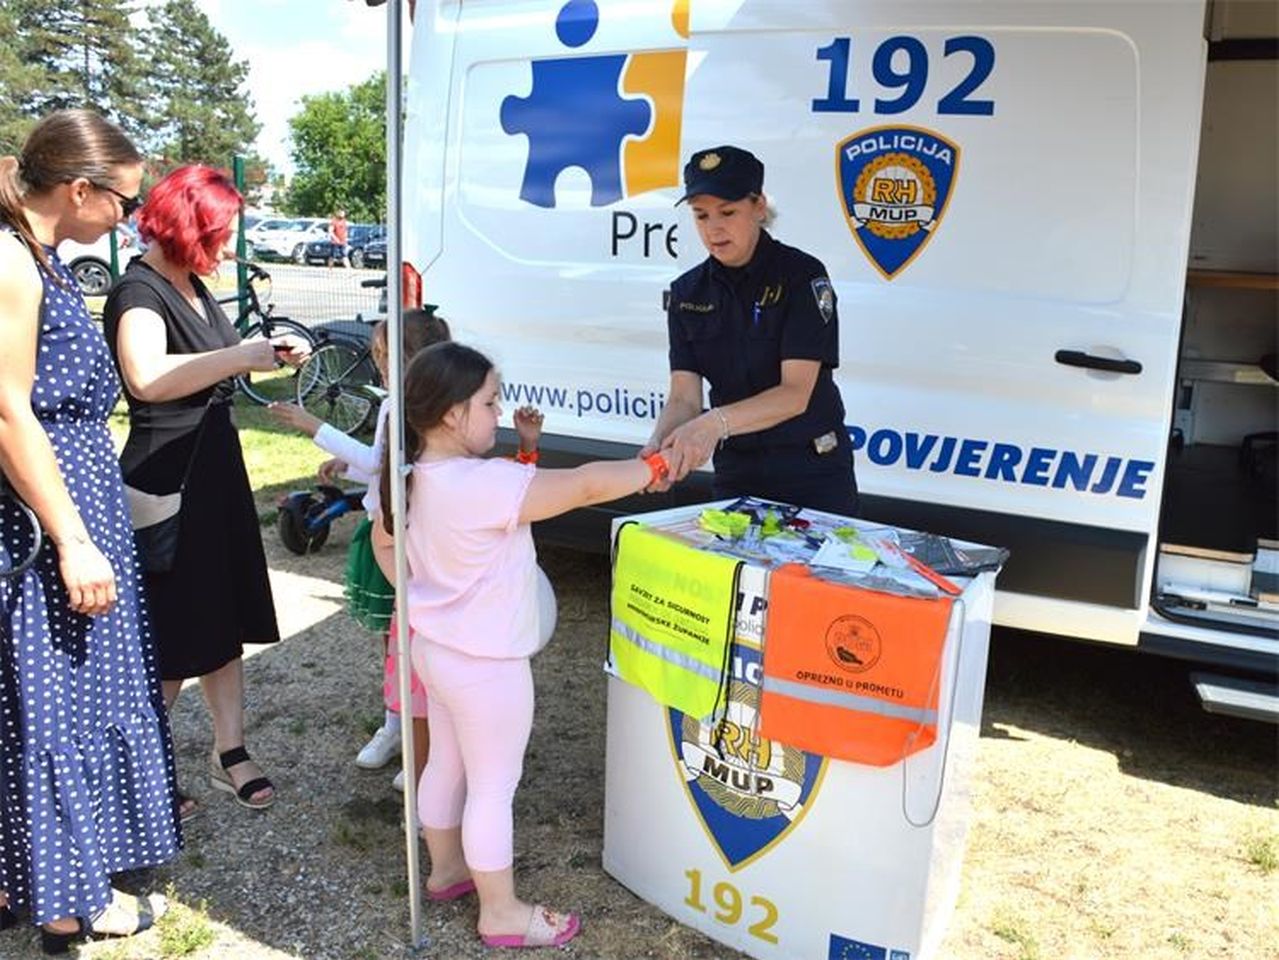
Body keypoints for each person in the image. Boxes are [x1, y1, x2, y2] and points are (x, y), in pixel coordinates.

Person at [369, 341, 669, 949]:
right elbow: (584, 486)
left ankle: (448, 869)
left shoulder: (411, 475)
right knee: (493, 785)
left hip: (436, 652)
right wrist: (655, 468)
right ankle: (501, 912)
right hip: (487, 667)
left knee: (447, 766)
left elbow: (384, 547)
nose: (498, 413)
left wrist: (421, 592)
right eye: (489, 402)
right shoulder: (478, 484)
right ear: (453, 414)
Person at [0, 109, 177, 953]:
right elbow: (7, 414)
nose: (128, 217)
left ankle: (27, 874)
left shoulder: (40, 256)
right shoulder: (12, 262)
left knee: (58, 692)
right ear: (78, 189)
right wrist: (70, 537)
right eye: (121, 200)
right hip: (44, 512)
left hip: (68, 494)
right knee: (53, 699)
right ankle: (67, 902)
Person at [102, 165, 308, 816]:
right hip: (167, 476)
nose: (224, 245)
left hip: (212, 470)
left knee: (221, 617)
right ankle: (141, 772)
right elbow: (146, 378)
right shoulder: (138, 289)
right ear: (186, 226)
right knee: (172, 634)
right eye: (216, 233)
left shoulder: (189, 283)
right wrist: (242, 356)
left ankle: (229, 751)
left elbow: (209, 363)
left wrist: (267, 352)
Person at [267, 308, 455, 793]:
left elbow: (382, 462)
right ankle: (398, 723)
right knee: (394, 639)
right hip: (389, 530)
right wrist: (345, 467)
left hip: (403, 537)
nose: (376, 365)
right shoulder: (405, 404)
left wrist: (315, 427)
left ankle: (418, 734)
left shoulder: (407, 407)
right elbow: (381, 467)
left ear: (409, 359)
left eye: (381, 356)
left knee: (411, 639)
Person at [642, 144, 859, 517]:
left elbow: (795, 394)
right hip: (738, 473)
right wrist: (662, 447)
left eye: (728, 212)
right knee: (736, 577)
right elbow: (684, 398)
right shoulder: (687, 292)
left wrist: (713, 424)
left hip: (811, 471)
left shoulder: (802, 276)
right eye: (701, 216)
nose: (714, 228)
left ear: (758, 207)